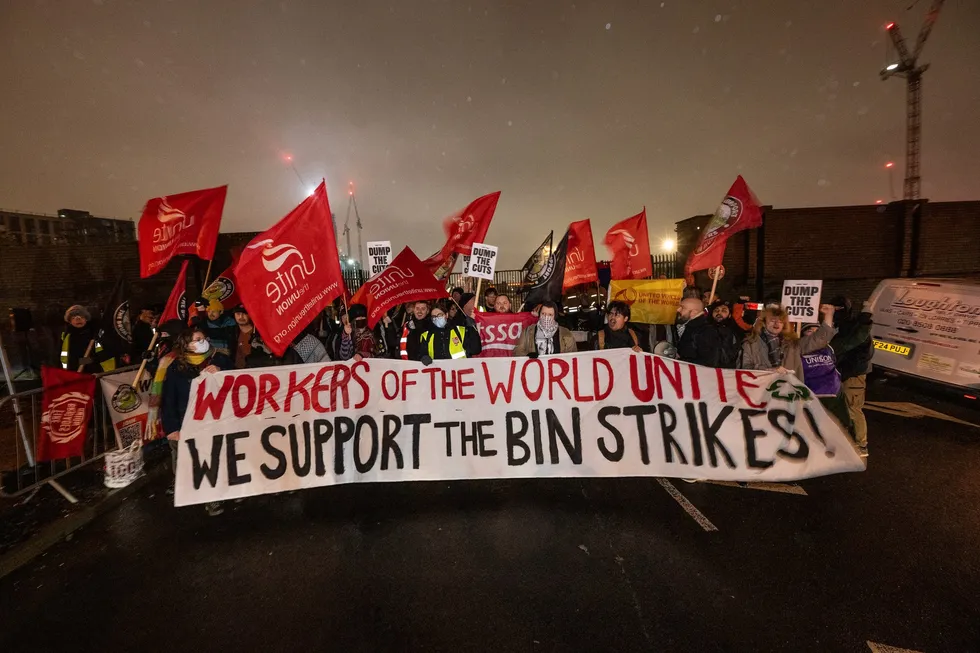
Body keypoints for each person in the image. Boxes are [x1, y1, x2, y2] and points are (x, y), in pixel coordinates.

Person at [160, 326, 231, 515]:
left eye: (203, 338)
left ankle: (213, 499)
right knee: (192, 463)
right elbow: (169, 400)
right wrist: (172, 428)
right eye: (197, 340)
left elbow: (237, 378)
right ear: (186, 344)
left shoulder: (219, 358)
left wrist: (221, 370)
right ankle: (192, 493)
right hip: (187, 421)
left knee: (214, 460)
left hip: (215, 420)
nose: (202, 342)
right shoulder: (175, 368)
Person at [739, 304, 836, 381]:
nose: (777, 324)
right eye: (773, 320)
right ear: (764, 322)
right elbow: (743, 369)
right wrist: (769, 371)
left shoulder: (793, 344)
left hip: (788, 396)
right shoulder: (750, 344)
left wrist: (828, 315)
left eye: (780, 321)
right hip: (761, 396)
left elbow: (819, 339)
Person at [829, 296, 874, 457]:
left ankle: (861, 445)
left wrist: (828, 349)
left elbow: (847, 345)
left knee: (854, 409)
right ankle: (847, 440)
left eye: (839, 309)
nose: (837, 312)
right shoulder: (844, 325)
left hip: (854, 374)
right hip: (843, 373)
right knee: (843, 408)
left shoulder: (856, 328)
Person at [416, 301, 482, 361]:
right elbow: (422, 354)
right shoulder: (426, 336)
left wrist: (472, 328)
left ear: (446, 315)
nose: (437, 318)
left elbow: (475, 350)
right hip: (439, 372)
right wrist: (424, 357)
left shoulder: (460, 331)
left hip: (459, 372)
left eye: (440, 315)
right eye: (434, 316)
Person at [60, 305, 115, 373]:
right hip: (75, 374)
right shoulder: (66, 336)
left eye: (82, 317)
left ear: (86, 319)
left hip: (99, 373)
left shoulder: (97, 333)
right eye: (74, 318)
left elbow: (111, 351)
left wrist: (88, 360)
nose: (78, 319)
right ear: (70, 321)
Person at [676, 298, 722, 367]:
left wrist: (680, 361)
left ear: (694, 312)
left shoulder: (706, 330)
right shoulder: (686, 326)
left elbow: (708, 361)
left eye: (682, 308)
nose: (678, 310)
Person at [230, 305, 254, 370]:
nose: (241, 317)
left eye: (244, 313)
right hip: (235, 372)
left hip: (255, 372)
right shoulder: (231, 332)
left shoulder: (259, 333)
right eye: (238, 314)